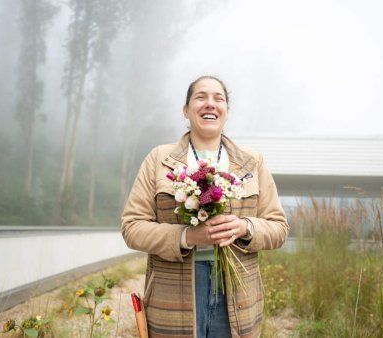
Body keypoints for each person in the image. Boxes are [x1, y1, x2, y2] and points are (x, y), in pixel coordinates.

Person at [121, 75, 289, 338]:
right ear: (186, 110)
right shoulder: (159, 159)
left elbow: (279, 228)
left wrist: (244, 227)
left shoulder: (251, 162)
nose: (210, 104)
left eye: (218, 98)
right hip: (171, 291)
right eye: (200, 97)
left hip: (238, 292)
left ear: (226, 111)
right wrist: (186, 236)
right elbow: (131, 227)